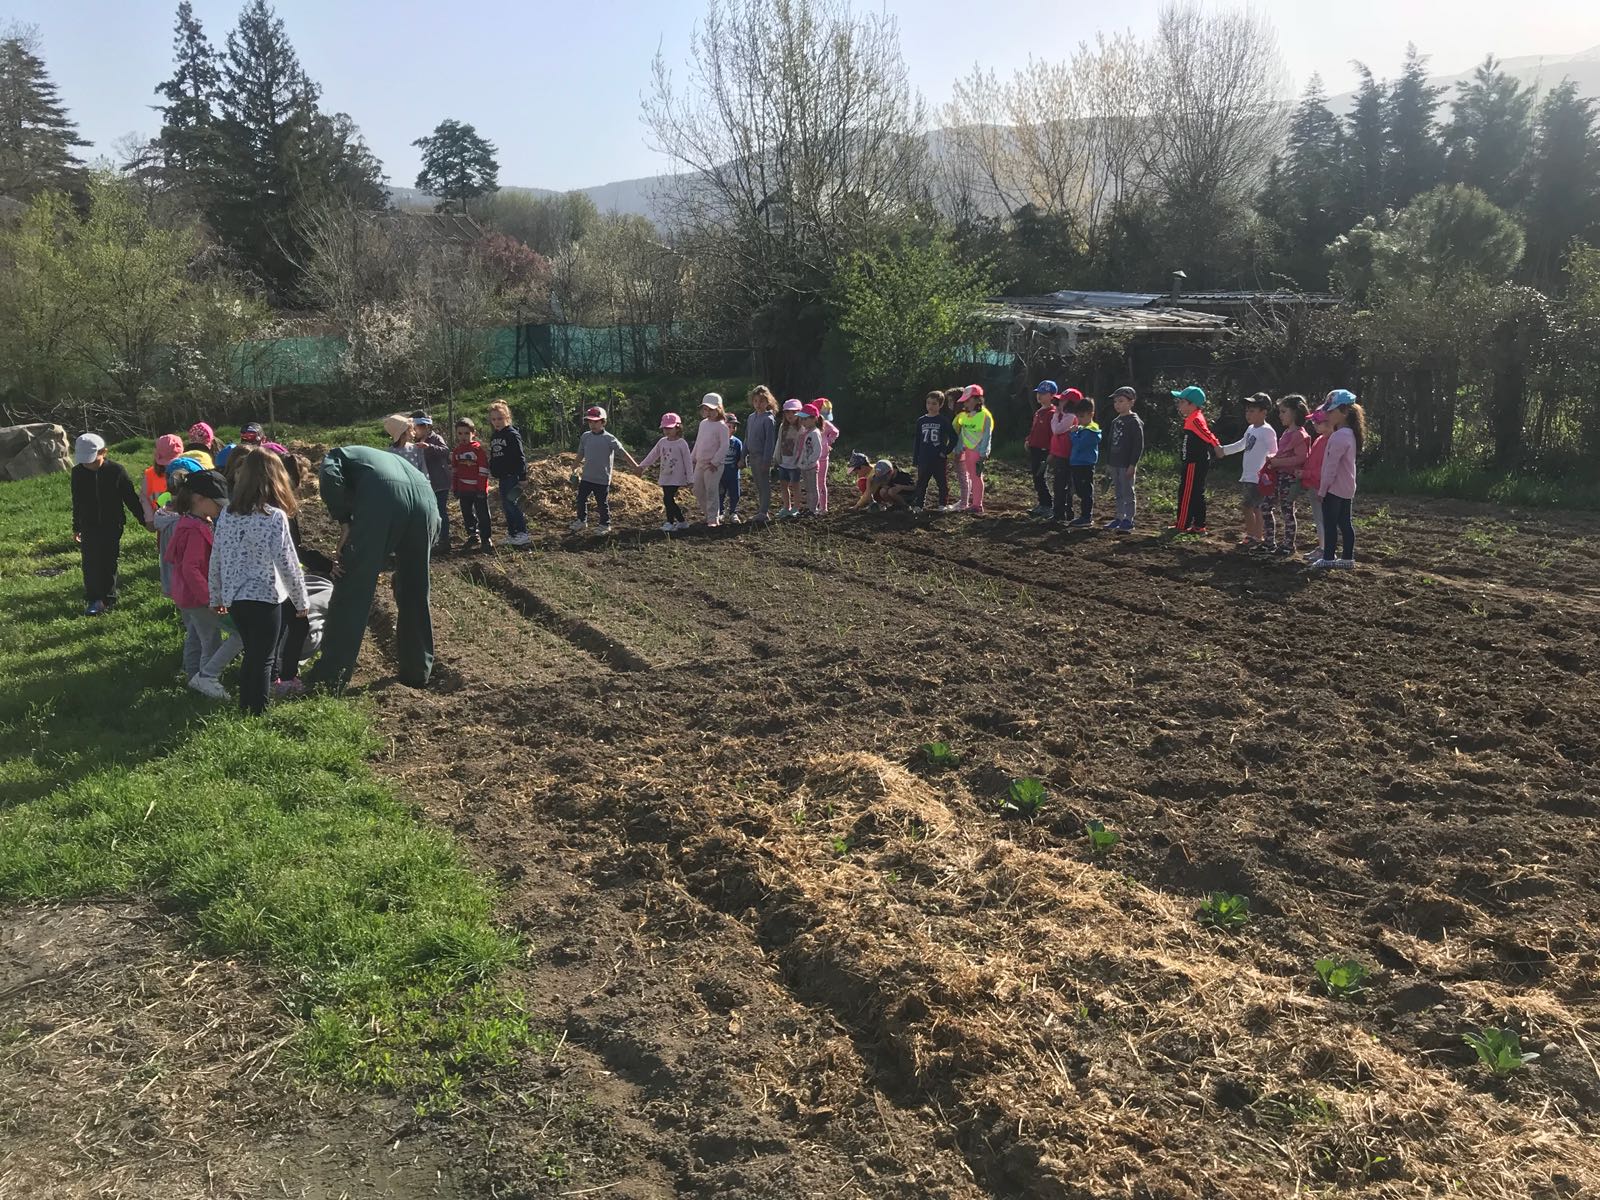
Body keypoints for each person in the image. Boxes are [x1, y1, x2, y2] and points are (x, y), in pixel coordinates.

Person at [307, 445, 440, 692]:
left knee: (353, 589)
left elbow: (329, 474)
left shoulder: (338, 455)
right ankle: (417, 671)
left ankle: (329, 679)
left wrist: (344, 518)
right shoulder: (381, 458)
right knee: (415, 589)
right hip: (426, 501)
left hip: (383, 496)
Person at [208, 451, 308, 715]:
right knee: (264, 657)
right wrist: (301, 600)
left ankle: (246, 707)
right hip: (265, 597)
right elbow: (288, 562)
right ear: (275, 479)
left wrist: (216, 595)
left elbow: (216, 556)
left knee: (252, 653)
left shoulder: (228, 514)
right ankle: (258, 712)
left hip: (236, 598)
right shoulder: (274, 517)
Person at [164, 469, 233, 700]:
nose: (221, 507)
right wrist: (210, 599)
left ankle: (192, 676)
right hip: (199, 598)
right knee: (211, 640)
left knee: (196, 635)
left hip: (188, 596)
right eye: (217, 503)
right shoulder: (195, 530)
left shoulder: (192, 521)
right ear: (198, 499)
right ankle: (206, 682)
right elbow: (190, 568)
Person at [70, 433, 147, 617]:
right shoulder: (78, 473)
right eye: (84, 462)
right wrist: (76, 526)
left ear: (103, 452)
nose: (88, 465)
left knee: (108, 561)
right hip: (89, 524)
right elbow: (77, 501)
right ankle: (94, 599)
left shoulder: (116, 471)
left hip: (112, 524)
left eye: (92, 461)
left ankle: (108, 597)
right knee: (90, 562)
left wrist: (144, 520)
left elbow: (130, 498)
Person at [1217, 393, 1279, 550]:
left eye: (1252, 410)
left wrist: (1270, 470)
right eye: (1247, 410)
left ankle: (1254, 536)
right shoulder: (1251, 429)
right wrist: (1224, 450)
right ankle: (1256, 536)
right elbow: (1241, 444)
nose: (1248, 414)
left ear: (1264, 412)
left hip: (1259, 478)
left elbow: (1274, 452)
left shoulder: (1267, 431)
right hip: (1249, 476)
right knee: (1253, 507)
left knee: (1250, 507)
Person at [1312, 391, 1364, 571]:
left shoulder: (1338, 436)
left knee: (1330, 524)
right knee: (1345, 523)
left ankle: (1328, 557)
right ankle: (1347, 558)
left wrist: (1322, 489)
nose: (1327, 414)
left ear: (1344, 412)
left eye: (1331, 411)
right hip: (1348, 487)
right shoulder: (1350, 434)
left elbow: (1330, 467)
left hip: (1334, 488)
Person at [573, 405, 638, 534]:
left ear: (603, 422)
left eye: (596, 421)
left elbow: (622, 452)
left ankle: (605, 524)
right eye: (590, 421)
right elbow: (581, 453)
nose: (593, 424)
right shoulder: (585, 437)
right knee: (581, 499)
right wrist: (575, 465)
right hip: (587, 476)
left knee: (602, 503)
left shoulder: (609, 439)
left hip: (602, 478)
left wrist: (635, 466)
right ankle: (581, 521)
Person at [1262, 395, 1311, 557]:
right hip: (1278, 476)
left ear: (1295, 413)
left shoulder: (1299, 435)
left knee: (1287, 510)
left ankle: (1288, 545)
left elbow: (1301, 458)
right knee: (1266, 506)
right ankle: (1269, 541)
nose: (1280, 415)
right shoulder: (1287, 433)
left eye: (1284, 411)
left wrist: (1279, 462)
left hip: (1288, 479)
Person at [1171, 385, 1221, 533]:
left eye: (1181, 402)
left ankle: (1182, 524)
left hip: (1194, 462)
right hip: (1193, 461)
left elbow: (1207, 434)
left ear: (1191, 404)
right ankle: (1198, 524)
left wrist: (1216, 445)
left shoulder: (1195, 419)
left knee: (1187, 491)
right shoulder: (1192, 418)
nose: (1179, 405)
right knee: (1195, 492)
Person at [638, 412, 694, 531]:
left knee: (667, 498)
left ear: (677, 427)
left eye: (670, 428)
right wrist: (642, 466)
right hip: (665, 475)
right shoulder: (662, 442)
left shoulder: (681, 443)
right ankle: (681, 521)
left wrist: (690, 478)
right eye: (665, 428)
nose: (667, 430)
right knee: (668, 499)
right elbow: (653, 455)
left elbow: (688, 462)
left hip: (677, 477)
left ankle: (670, 522)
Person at [410, 412, 454, 556]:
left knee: (440, 511)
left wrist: (429, 447)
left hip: (439, 481)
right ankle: (432, 539)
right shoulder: (413, 442)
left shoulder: (435, 439)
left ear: (426, 427)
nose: (415, 430)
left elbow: (445, 451)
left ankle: (444, 540)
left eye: (418, 427)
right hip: (425, 483)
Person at [487, 401, 531, 547]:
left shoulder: (512, 435)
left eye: (500, 418)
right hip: (502, 477)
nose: (497, 422)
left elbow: (520, 456)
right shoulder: (494, 436)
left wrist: (523, 476)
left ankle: (522, 533)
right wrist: (493, 470)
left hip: (512, 475)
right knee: (506, 505)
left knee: (512, 503)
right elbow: (494, 456)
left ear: (507, 417)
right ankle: (513, 533)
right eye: (494, 419)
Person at [1103, 386, 1144, 532]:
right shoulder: (1115, 421)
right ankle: (1119, 517)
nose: (1117, 404)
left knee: (1128, 491)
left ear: (1131, 402)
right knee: (1118, 492)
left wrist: (1133, 464)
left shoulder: (1134, 422)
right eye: (1115, 402)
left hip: (1126, 464)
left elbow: (1138, 445)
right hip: (1114, 462)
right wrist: (1108, 462)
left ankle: (1129, 519)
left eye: (1121, 401)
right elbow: (1109, 443)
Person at [452, 417, 493, 551]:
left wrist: (482, 489)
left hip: (478, 489)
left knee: (482, 514)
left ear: (473, 433)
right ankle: (472, 534)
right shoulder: (457, 452)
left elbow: (483, 470)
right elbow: (455, 471)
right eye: (460, 433)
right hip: (464, 488)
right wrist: (455, 487)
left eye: (466, 433)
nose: (463, 437)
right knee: (467, 513)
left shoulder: (477, 450)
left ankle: (486, 537)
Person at [691, 393, 732, 528]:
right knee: (697, 489)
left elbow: (724, 446)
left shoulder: (722, 426)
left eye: (712, 409)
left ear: (719, 409)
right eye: (706, 409)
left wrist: (715, 462)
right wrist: (693, 458)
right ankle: (708, 514)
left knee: (711, 490)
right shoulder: (703, 424)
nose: (708, 412)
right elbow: (699, 441)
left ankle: (713, 518)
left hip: (713, 465)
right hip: (701, 462)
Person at [912, 391, 957, 510]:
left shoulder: (943, 420)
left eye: (934, 404)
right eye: (928, 403)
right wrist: (915, 458)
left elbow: (954, 437)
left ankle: (942, 504)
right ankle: (919, 505)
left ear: (940, 405)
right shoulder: (921, 421)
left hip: (938, 458)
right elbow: (917, 441)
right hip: (924, 457)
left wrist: (945, 451)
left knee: (942, 483)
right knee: (921, 483)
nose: (930, 406)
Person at [953, 385, 994, 513]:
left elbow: (987, 435)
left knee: (976, 476)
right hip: (967, 450)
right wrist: (959, 446)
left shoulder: (985, 416)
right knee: (971, 475)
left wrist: (984, 452)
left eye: (968, 400)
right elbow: (962, 432)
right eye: (965, 401)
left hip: (977, 451)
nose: (966, 403)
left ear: (978, 399)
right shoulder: (965, 415)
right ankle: (972, 502)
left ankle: (977, 504)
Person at [1301, 408, 1332, 561]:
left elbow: (1324, 469)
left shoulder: (1330, 442)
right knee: (1319, 519)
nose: (1314, 424)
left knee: (1322, 520)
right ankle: (1323, 547)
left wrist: (1306, 474)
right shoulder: (1319, 440)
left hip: (1322, 487)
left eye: (1317, 421)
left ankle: (1325, 550)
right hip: (1314, 485)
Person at [1065, 397, 1102, 527]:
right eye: (1078, 416)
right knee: (1080, 490)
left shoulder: (1091, 431)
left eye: (1081, 416)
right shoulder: (1083, 428)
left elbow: (1079, 444)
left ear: (1091, 414)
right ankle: (1084, 515)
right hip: (1077, 463)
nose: (1079, 420)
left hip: (1085, 464)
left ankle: (1086, 516)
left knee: (1085, 491)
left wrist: (1073, 434)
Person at [745, 386, 778, 522]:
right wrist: (743, 456)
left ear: (768, 402)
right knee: (758, 484)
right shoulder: (751, 417)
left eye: (762, 401)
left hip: (761, 457)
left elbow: (769, 443)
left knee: (764, 484)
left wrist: (766, 461)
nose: (759, 404)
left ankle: (764, 512)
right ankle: (762, 510)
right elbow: (747, 438)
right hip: (752, 456)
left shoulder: (768, 419)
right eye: (756, 401)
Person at [1047, 389, 1080, 524]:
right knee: (1061, 484)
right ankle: (1063, 512)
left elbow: (1056, 430)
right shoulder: (1065, 416)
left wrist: (1055, 415)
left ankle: (1061, 513)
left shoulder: (1070, 417)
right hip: (1060, 454)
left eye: (1063, 401)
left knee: (1061, 485)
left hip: (1065, 455)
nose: (1059, 403)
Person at [1026, 381, 1058, 516]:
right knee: (1036, 476)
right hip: (1035, 448)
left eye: (1043, 394)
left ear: (1052, 396)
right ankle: (1042, 503)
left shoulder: (1053, 413)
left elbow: (1053, 434)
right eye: (1038, 393)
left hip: (1044, 450)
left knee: (1040, 476)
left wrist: (1052, 451)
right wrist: (1028, 440)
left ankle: (1047, 504)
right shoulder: (1039, 412)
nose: (1039, 396)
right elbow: (1034, 430)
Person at [142, 434, 185, 524]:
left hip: (185, 522)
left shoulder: (187, 472)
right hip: (162, 524)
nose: (168, 466)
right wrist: (149, 519)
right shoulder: (150, 474)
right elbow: (144, 497)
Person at [775, 399, 805, 518]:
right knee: (783, 485)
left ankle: (796, 507)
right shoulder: (783, 427)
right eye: (787, 412)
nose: (790, 415)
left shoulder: (802, 429)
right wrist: (776, 457)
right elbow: (779, 442)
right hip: (784, 462)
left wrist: (800, 460)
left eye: (793, 412)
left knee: (795, 485)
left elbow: (802, 446)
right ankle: (786, 506)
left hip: (795, 464)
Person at [718, 412, 746, 523]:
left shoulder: (737, 442)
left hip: (733, 473)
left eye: (734, 426)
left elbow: (741, 457)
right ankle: (720, 512)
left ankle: (733, 512)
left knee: (735, 494)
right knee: (720, 494)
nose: (732, 429)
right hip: (720, 473)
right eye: (729, 426)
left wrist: (742, 462)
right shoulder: (718, 441)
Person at [797, 405, 825, 514]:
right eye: (802, 419)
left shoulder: (814, 433)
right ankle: (810, 507)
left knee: (813, 488)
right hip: (804, 465)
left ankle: (813, 509)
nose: (803, 421)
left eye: (805, 419)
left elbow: (817, 451)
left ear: (814, 419)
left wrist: (809, 461)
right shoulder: (806, 432)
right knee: (808, 489)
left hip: (811, 466)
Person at [814, 398, 840, 513]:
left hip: (823, 457)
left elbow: (835, 432)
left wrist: (828, 441)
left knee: (821, 482)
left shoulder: (826, 424)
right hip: (812, 457)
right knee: (812, 483)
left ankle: (823, 507)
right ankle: (815, 504)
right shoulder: (810, 423)